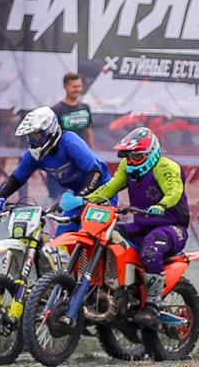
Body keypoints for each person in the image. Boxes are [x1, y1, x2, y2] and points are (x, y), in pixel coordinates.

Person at [81, 125, 189, 325]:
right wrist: (84, 200)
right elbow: (110, 188)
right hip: (141, 224)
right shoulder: (126, 167)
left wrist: (161, 205)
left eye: (136, 157)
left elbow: (174, 192)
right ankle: (111, 291)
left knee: (151, 247)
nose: (131, 161)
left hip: (172, 228)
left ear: (151, 153)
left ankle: (153, 305)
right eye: (128, 156)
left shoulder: (166, 166)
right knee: (104, 236)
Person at [0, 105, 104, 230]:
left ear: (50, 131)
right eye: (31, 137)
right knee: (61, 240)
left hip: (102, 192)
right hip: (75, 197)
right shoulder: (34, 155)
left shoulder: (69, 141)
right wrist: (0, 197)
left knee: (91, 236)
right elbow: (17, 178)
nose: (35, 142)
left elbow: (96, 172)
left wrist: (80, 197)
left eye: (38, 136)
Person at [51, 72, 94, 143]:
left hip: (81, 152)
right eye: (74, 87)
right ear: (65, 87)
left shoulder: (85, 108)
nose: (78, 89)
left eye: (80, 86)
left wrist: (91, 153)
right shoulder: (56, 110)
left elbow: (88, 134)